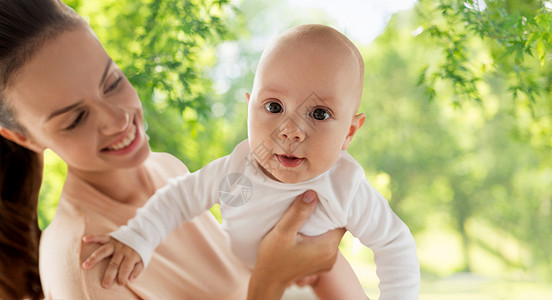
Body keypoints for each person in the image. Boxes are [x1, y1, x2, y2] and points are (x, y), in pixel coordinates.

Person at [0, 0, 346, 299]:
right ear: (24, 138)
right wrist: (274, 277)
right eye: (76, 118)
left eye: (112, 82)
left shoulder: (166, 169)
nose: (118, 119)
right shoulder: (88, 266)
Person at [83, 24, 421, 299]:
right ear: (249, 107)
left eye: (319, 114)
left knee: (333, 275)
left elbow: (394, 242)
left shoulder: (344, 185)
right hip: (240, 282)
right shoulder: (239, 170)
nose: (291, 131)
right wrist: (136, 238)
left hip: (317, 283)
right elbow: (178, 199)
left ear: (349, 132)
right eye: (274, 107)